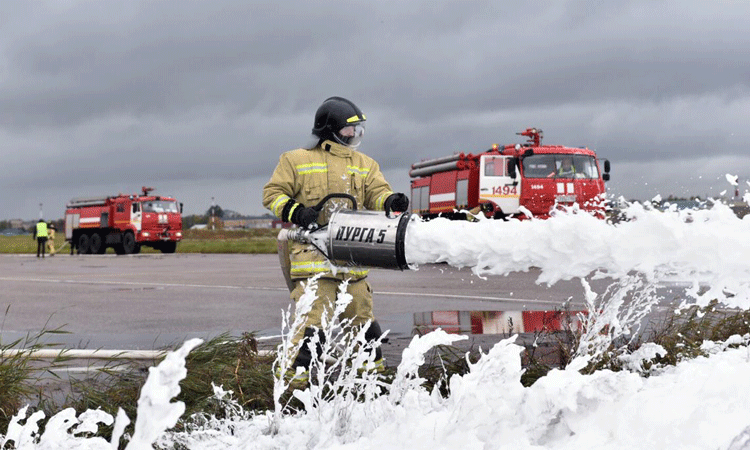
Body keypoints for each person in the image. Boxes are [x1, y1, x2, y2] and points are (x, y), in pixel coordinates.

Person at [262, 96, 409, 382]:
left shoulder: (366, 164)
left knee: (365, 328)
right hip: (314, 264)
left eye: (358, 129)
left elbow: (376, 193)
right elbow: (273, 194)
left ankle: (372, 383)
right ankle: (292, 385)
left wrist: (390, 199)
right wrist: (297, 211)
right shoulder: (295, 160)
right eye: (349, 130)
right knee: (311, 330)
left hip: (352, 261)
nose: (355, 135)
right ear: (330, 129)